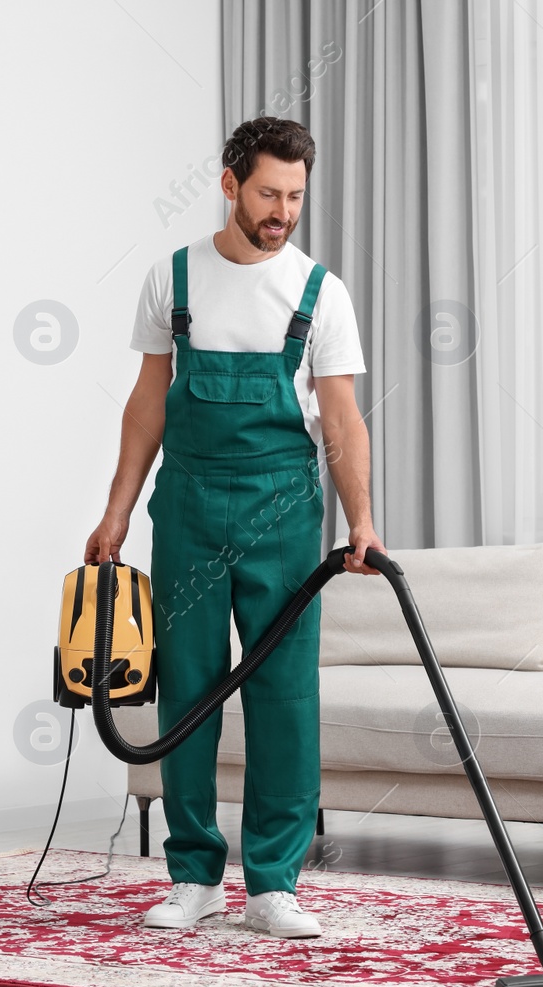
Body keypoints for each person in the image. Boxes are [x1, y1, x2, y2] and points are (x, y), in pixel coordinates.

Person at [84, 116, 384, 938]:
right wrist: (115, 510)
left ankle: (274, 884)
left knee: (284, 695)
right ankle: (193, 875)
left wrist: (361, 523)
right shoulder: (172, 278)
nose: (282, 210)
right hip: (184, 504)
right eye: (268, 193)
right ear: (229, 184)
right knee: (187, 686)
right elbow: (148, 404)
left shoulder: (321, 291)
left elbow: (343, 419)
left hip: (284, 511)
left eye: (294, 195)